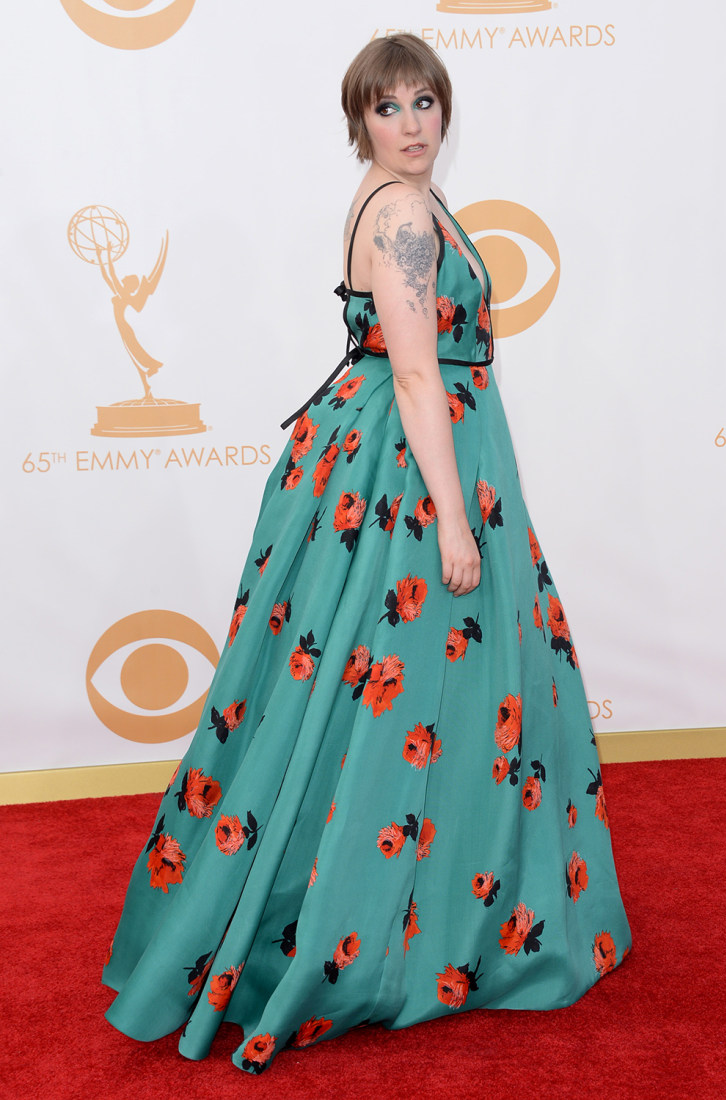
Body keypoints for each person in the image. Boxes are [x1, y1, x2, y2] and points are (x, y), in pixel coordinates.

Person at [103, 34, 631, 1075]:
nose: (412, 121)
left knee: (370, 704)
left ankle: (419, 917)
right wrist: (450, 517)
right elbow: (418, 376)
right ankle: (376, 934)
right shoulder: (398, 212)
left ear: (444, 108)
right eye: (388, 107)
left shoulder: (412, 199)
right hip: (405, 472)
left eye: (425, 100)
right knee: (395, 699)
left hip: (404, 458)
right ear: (361, 121)